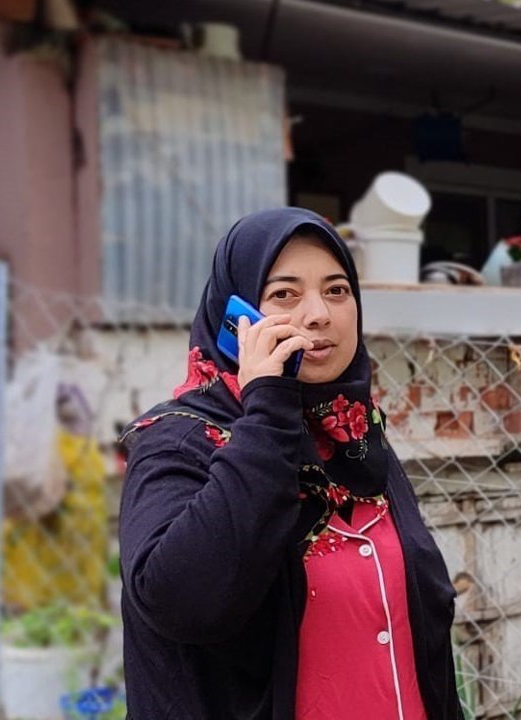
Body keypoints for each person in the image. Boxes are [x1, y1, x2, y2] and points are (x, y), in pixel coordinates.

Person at [118, 208, 460, 719]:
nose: (318, 314)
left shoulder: (353, 438)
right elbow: (183, 604)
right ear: (234, 319)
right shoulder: (178, 442)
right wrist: (268, 408)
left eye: (337, 290)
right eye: (284, 294)